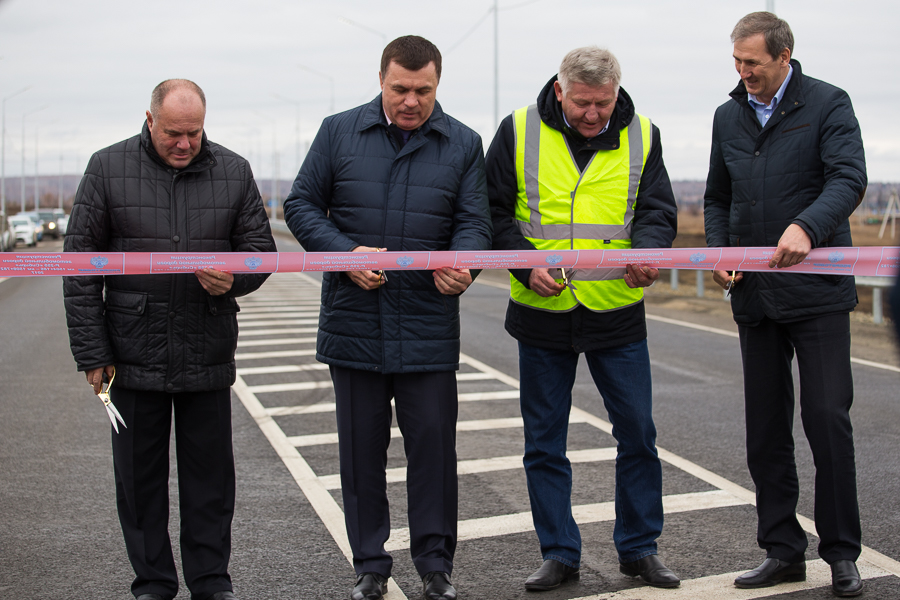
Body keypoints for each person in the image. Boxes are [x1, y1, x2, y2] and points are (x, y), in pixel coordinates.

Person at [283, 36, 492, 600]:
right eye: (400, 88)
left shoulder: (464, 143)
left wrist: (464, 266)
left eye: (423, 91)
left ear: (437, 85)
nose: (410, 101)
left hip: (427, 324)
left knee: (433, 455)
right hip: (355, 322)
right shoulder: (338, 131)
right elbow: (300, 205)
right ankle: (370, 564)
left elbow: (475, 222)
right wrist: (343, 255)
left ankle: (435, 566)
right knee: (360, 456)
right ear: (381, 79)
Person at [63, 79, 276, 600]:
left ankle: (211, 582)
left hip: (206, 347)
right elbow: (78, 268)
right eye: (174, 134)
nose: (184, 144)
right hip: (130, 355)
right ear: (150, 120)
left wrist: (236, 277)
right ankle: (154, 583)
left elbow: (261, 253)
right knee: (138, 485)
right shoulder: (107, 168)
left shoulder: (233, 171)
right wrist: (93, 353)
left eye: (195, 133)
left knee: (210, 483)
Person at [486, 46, 679, 591]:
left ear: (616, 90)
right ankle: (559, 552)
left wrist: (648, 251)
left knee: (638, 434)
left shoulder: (644, 133)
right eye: (582, 104)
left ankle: (639, 548)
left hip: (616, 310)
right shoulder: (517, 129)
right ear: (559, 91)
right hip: (542, 312)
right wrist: (526, 266)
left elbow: (657, 210)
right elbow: (492, 212)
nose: (593, 114)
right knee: (545, 442)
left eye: (603, 102)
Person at [704, 12, 867, 598]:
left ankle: (843, 555)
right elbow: (717, 195)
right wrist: (719, 249)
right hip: (754, 295)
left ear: (784, 54)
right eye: (737, 62)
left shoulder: (827, 103)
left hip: (817, 295)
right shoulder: (728, 115)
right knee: (765, 431)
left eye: (753, 62)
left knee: (827, 421)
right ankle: (781, 551)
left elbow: (848, 178)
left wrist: (807, 226)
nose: (744, 72)